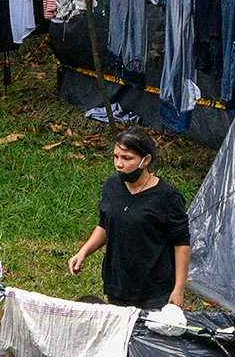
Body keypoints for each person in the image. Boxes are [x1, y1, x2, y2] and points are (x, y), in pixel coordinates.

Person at [68, 130, 190, 311]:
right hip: (119, 283)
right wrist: (83, 252)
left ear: (146, 160)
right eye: (116, 156)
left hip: (155, 289)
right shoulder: (111, 187)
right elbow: (104, 225)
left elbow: (181, 243)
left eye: (127, 158)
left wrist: (178, 289)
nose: (119, 164)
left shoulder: (167, 197)